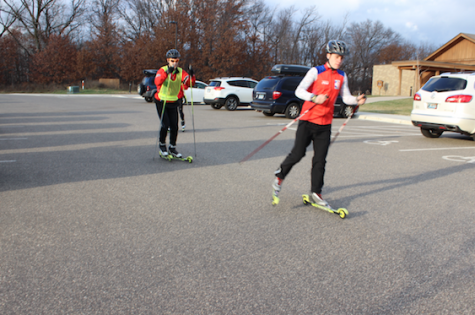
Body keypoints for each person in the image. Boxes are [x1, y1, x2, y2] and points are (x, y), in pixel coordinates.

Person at [272, 40, 366, 207]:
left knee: (320, 160)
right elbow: (299, 91)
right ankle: (280, 174)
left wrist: (356, 100)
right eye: (337, 56)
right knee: (298, 153)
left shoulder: (342, 76)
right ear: (328, 55)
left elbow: (346, 98)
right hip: (308, 120)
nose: (339, 60)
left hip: (325, 124)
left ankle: (316, 192)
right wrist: (314, 98)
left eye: (342, 58)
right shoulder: (316, 71)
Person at [154, 49, 195, 158]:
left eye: (176, 61)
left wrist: (191, 76)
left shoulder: (180, 72)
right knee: (165, 124)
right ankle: (162, 145)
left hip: (173, 101)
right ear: (168, 60)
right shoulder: (162, 70)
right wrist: (167, 73)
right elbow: (157, 82)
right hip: (161, 101)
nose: (175, 63)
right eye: (172, 61)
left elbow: (189, 83)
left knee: (174, 126)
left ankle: (172, 147)